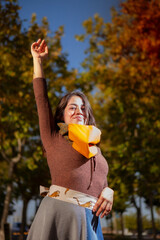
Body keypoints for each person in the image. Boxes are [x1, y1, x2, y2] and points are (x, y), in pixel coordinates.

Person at [27, 39, 114, 240]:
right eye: (72, 107)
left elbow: (102, 185)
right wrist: (37, 61)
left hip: (91, 221)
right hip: (59, 216)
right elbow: (41, 99)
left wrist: (109, 191)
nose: (78, 111)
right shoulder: (54, 137)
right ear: (61, 116)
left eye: (83, 108)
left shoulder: (96, 149)